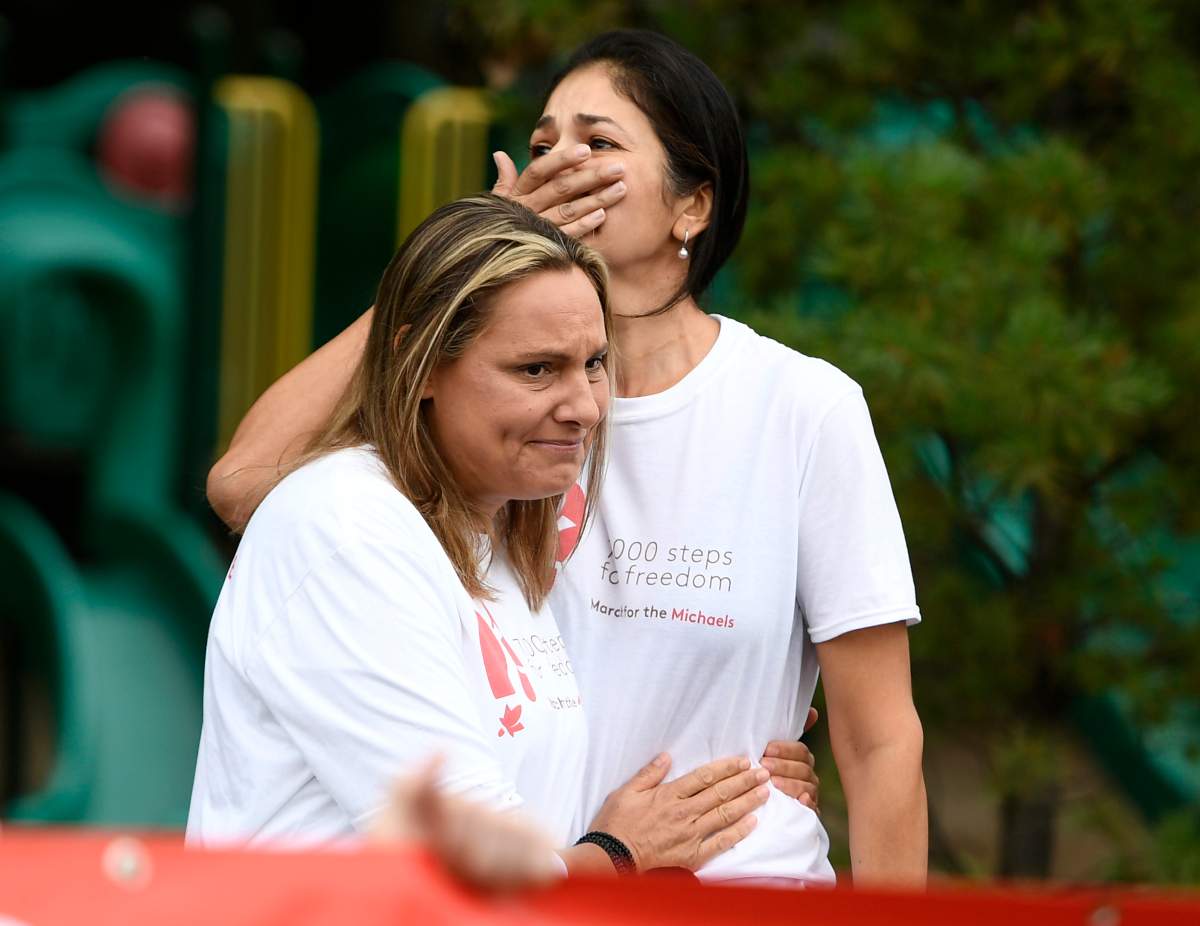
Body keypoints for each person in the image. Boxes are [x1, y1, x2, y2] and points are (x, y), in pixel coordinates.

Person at [207, 29, 924, 887]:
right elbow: (247, 485)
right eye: (543, 145)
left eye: (600, 142)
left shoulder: (801, 406)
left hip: (720, 884)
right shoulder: (484, 431)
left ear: (692, 206)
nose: (560, 168)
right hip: (551, 884)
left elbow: (880, 737)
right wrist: (458, 271)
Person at [187, 194, 772, 877]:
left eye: (592, 363)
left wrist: (749, 728)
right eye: (536, 369)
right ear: (419, 364)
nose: (585, 407)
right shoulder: (346, 529)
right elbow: (467, 871)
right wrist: (622, 853)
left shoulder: (489, 533)